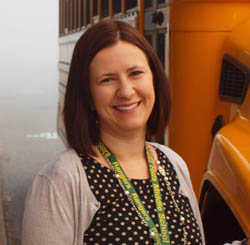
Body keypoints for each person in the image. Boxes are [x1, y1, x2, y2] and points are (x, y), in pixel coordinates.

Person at [22, 20, 246, 245]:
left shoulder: (173, 163)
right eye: (107, 79)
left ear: (154, 80)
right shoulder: (60, 180)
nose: (126, 91)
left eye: (136, 73)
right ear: (88, 96)